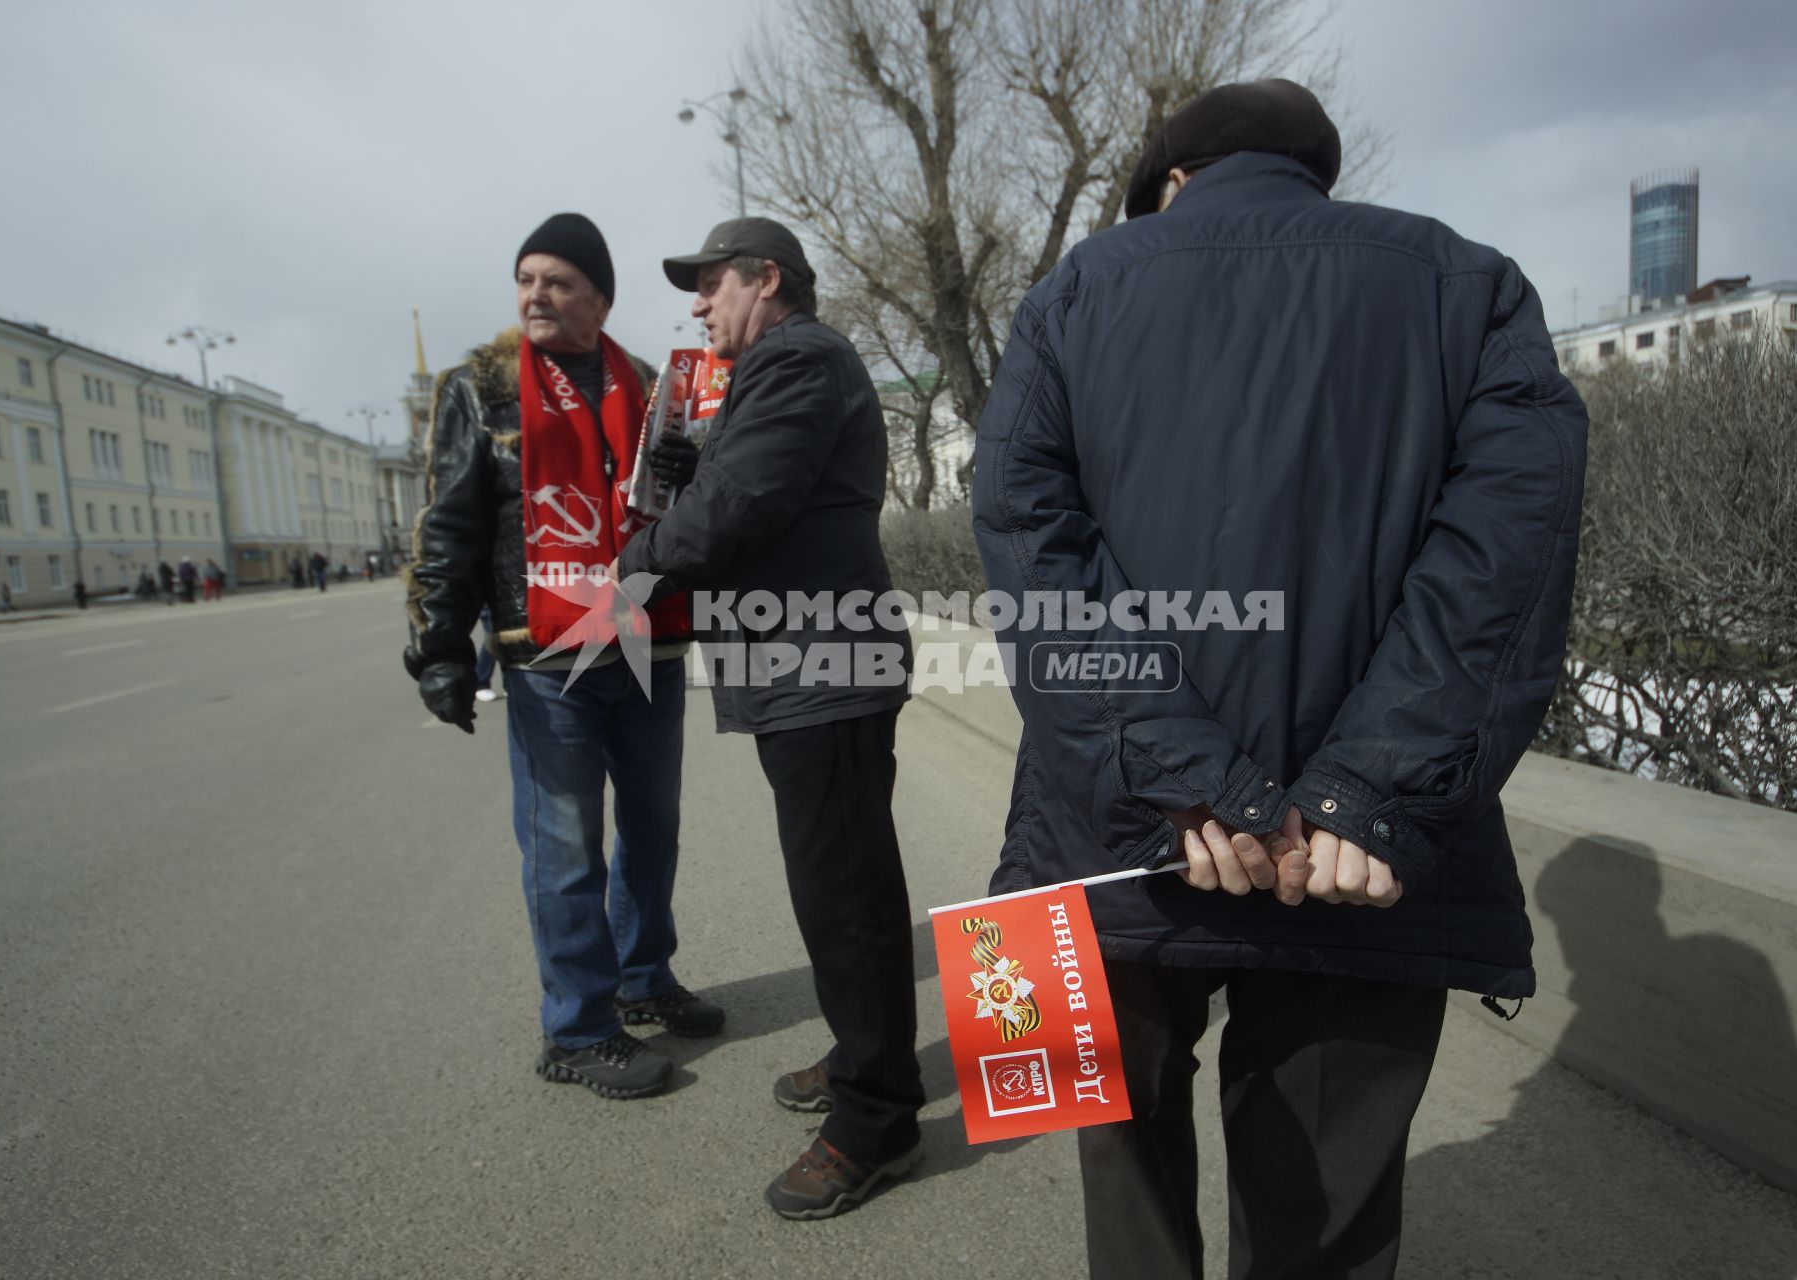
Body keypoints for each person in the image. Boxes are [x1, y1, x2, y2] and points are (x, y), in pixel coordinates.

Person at [970, 80, 1588, 1280]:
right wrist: (1369, 790)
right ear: (1314, 175)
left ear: (1173, 182)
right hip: (1361, 862)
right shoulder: (1470, 285)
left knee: (1121, 1160)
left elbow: (1028, 548)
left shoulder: (1077, 289)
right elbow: (1506, 562)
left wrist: (1182, 773)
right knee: (1323, 1213)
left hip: (1108, 824)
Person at [615, 217, 921, 1220]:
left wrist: (638, 556)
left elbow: (741, 505)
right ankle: (860, 1047)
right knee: (837, 882)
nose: (698, 304)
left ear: (768, 280)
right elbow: (745, 483)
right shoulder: (787, 368)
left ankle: (876, 1117)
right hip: (807, 665)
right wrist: (688, 460)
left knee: (842, 892)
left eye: (711, 285)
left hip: (820, 666)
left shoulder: (796, 357)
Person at [405, 212, 722, 1100]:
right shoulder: (480, 387)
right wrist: (438, 647)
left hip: (646, 643)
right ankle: (577, 1030)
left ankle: (641, 976)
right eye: (527, 279)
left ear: (600, 300)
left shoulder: (653, 384)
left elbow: (685, 509)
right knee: (567, 846)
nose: (536, 295)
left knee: (653, 831)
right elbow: (450, 523)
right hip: (545, 656)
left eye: (558, 282)